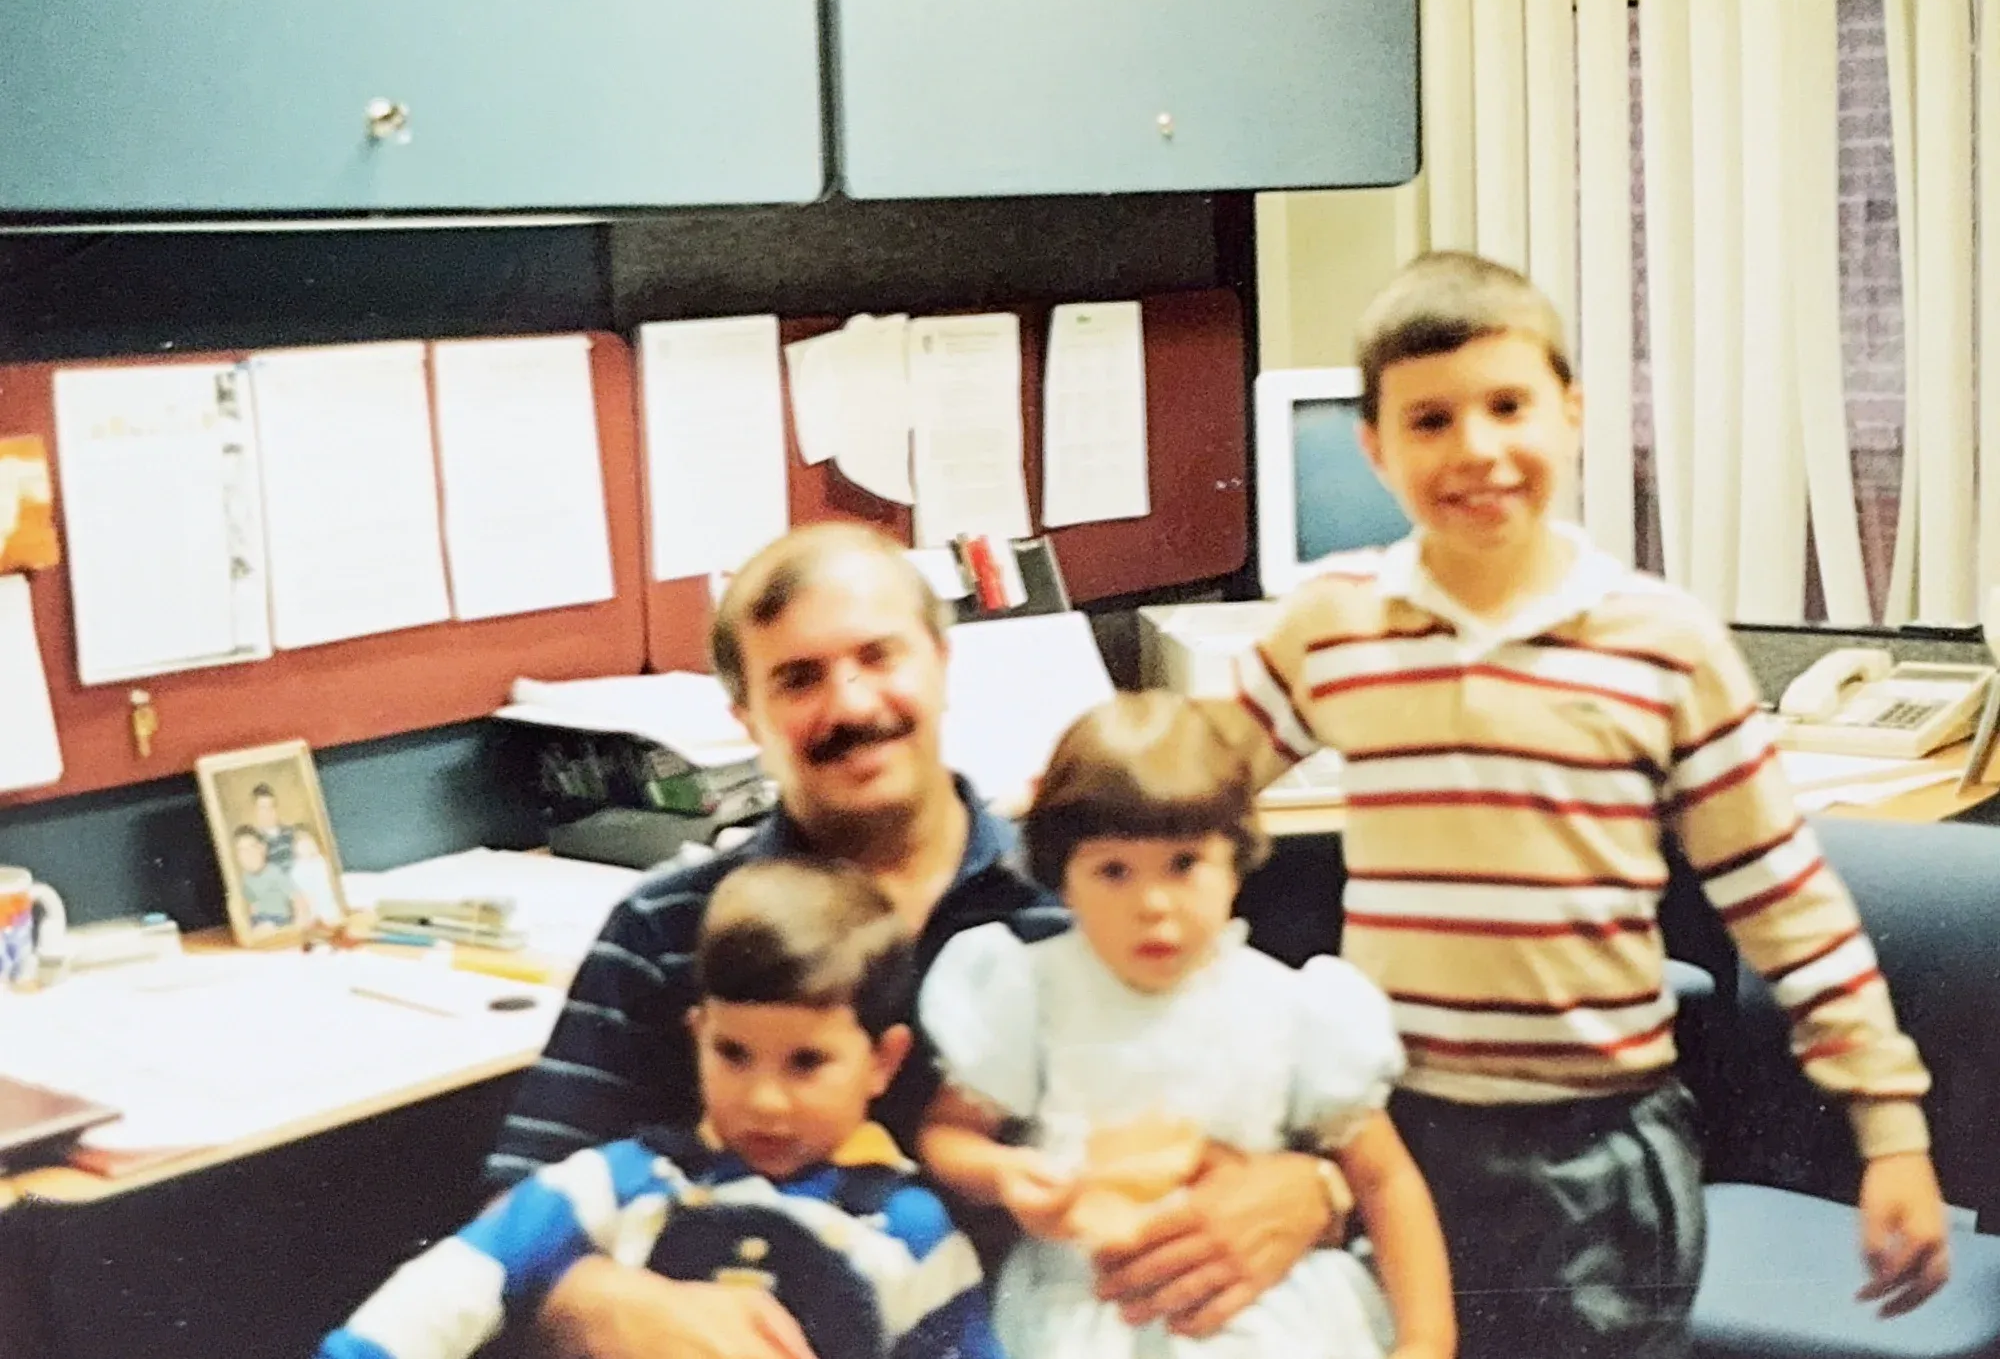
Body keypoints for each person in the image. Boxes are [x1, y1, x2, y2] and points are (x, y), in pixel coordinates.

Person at [1206, 250, 1949, 1358]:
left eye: (1508, 405)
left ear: (1570, 412)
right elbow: (1183, 789)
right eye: (1429, 420)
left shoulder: (1661, 642)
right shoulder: (1332, 627)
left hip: (1598, 1154)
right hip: (1396, 1137)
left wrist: (1888, 1127)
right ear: (1375, 446)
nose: (1475, 448)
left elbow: (1781, 893)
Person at [495, 523, 1352, 1358]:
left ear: (942, 665)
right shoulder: (667, 929)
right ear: (746, 718)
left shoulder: (1096, 896)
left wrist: (1320, 1191)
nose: (853, 704)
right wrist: (604, 1300)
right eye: (798, 679)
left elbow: (1308, 1119)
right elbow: (516, 1204)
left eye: (878, 656)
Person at [917, 692, 1455, 1359]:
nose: (1153, 904)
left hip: (1261, 1314)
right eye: (1112, 871)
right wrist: (1006, 1172)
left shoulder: (1292, 1005)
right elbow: (948, 1133)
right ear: (1063, 878)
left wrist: (1427, 1340)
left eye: (1184, 864)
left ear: (1236, 861)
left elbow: (1383, 1178)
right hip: (1086, 1310)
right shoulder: (1030, 989)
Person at [319, 859, 1002, 1359]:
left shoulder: (912, 1232)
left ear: (882, 1060)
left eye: (806, 1062)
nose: (764, 1100)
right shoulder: (616, 1182)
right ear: (697, 1033)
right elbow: (459, 1281)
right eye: (733, 1053)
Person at [231, 825, 298, 929]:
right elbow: (251, 905)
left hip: (279, 920)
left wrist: (298, 925)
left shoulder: (274, 872)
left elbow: (297, 899)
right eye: (242, 850)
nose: (248, 854)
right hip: (258, 920)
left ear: (263, 848)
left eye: (252, 847)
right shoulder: (245, 879)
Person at [249, 782, 296, 870]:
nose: (269, 812)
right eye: (263, 808)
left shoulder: (292, 833)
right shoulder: (257, 843)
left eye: (272, 807)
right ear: (255, 811)